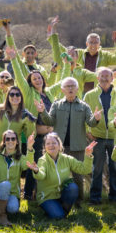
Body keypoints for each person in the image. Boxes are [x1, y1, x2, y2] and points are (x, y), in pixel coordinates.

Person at [5, 45, 68, 200]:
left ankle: (43, 192)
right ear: (30, 82)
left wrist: (66, 65)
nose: (37, 80)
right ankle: (27, 194)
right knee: (34, 165)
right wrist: (14, 59)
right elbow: (19, 76)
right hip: (38, 137)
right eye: (34, 79)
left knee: (48, 165)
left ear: (43, 79)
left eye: (39, 77)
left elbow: (63, 82)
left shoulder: (49, 92)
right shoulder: (28, 92)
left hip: (51, 136)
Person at [35, 77, 102, 202]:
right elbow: (49, 121)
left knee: (78, 176)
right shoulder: (56, 104)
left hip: (78, 146)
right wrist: (42, 112)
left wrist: (96, 118)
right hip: (59, 148)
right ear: (62, 89)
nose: (70, 88)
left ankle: (79, 201)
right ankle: (59, 198)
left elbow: (91, 123)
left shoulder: (84, 106)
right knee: (59, 174)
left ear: (77, 89)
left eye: (72, 86)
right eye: (67, 86)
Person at [27, 133, 96, 219]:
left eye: (54, 143)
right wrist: (37, 171)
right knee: (58, 216)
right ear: (44, 147)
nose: (51, 145)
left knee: (73, 187)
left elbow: (85, 169)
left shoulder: (67, 158)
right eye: (48, 143)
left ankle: (61, 210)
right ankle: (57, 211)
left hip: (62, 195)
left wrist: (87, 155)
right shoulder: (42, 160)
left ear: (59, 145)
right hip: (47, 197)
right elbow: (41, 176)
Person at [0, 131, 35, 226]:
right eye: (7, 139)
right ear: (4, 142)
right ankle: (2, 216)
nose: (10, 141)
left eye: (13, 139)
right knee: (6, 184)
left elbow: (28, 165)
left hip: (12, 193)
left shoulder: (20, 158)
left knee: (13, 209)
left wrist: (30, 147)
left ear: (17, 142)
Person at [84, 67, 116, 204]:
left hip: (114, 137)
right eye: (101, 76)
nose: (104, 79)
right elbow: (84, 114)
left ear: (112, 78)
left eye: (107, 76)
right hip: (97, 137)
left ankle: (114, 197)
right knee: (97, 168)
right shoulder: (89, 95)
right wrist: (88, 131)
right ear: (97, 78)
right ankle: (95, 198)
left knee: (114, 167)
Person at [47, 18, 97, 97]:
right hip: (60, 104)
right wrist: (53, 29)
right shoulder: (60, 66)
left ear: (77, 57)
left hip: (77, 106)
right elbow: (56, 46)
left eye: (73, 55)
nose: (69, 57)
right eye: (68, 54)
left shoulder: (82, 72)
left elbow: (98, 76)